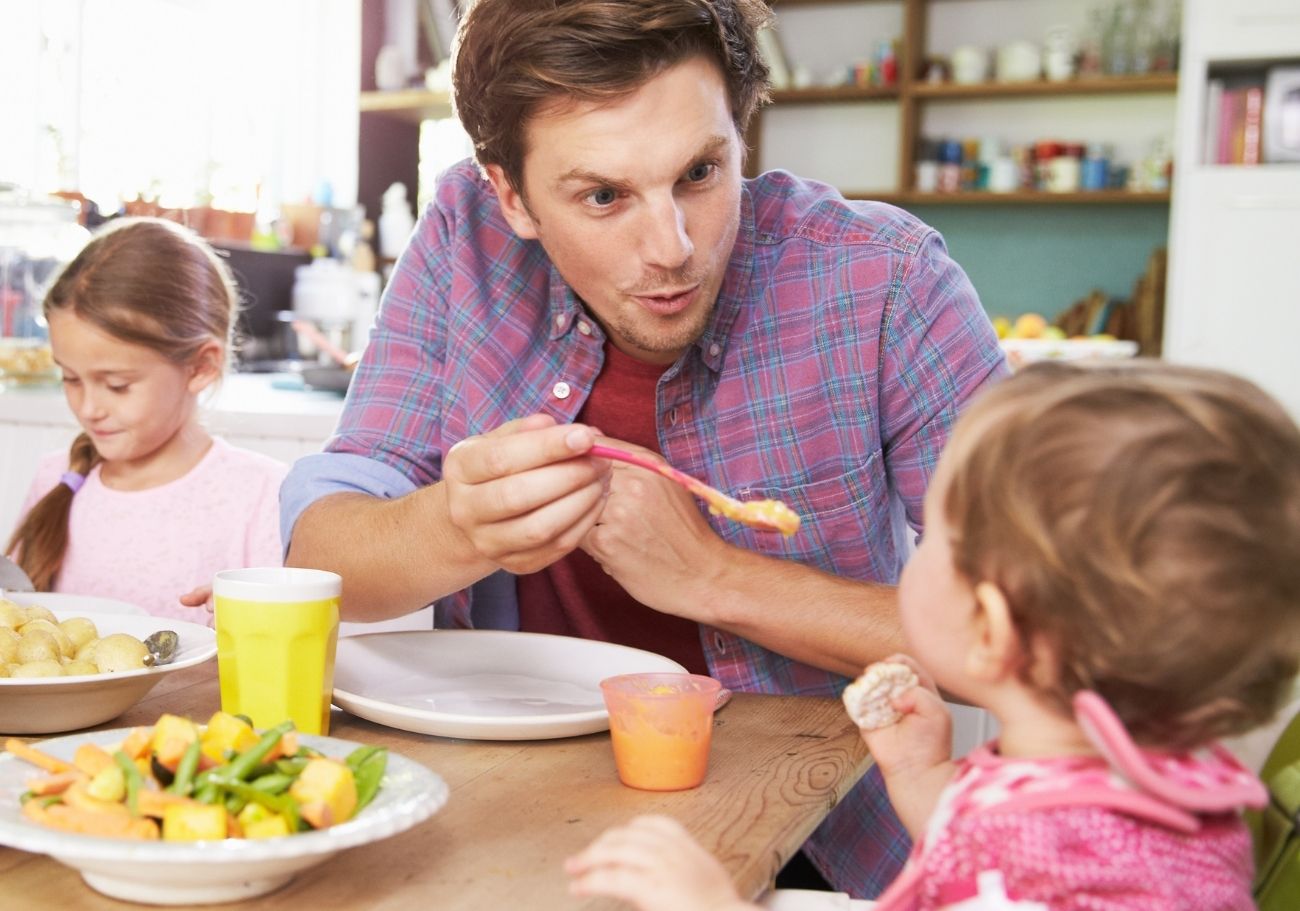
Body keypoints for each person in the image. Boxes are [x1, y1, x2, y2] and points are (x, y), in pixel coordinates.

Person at [281, 0, 1004, 894]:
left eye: (700, 172)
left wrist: (716, 575)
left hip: (819, 853)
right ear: (509, 193)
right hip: (508, 823)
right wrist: (455, 529)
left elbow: (1052, 642)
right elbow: (319, 559)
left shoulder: (886, 280)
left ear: (739, 133)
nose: (673, 249)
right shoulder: (461, 242)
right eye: (603, 196)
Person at [565, 360, 1300, 910]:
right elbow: (983, 853)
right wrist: (924, 780)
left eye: (937, 533)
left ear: (992, 626)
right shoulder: (1156, 784)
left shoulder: (1054, 872)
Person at [6, 217, 287, 622]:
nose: (89, 408)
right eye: (70, 378)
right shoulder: (56, 478)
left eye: (117, 385)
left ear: (200, 367)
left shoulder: (261, 496)